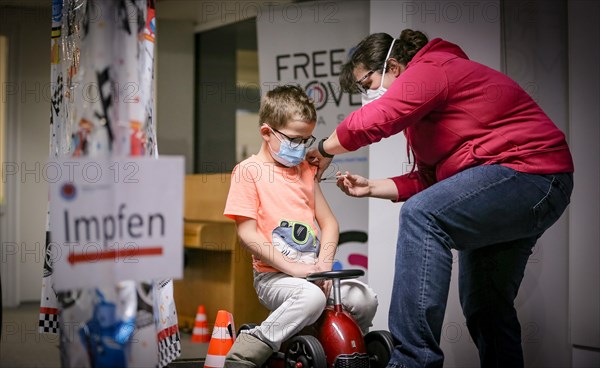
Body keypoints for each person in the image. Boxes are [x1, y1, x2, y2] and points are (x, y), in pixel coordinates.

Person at [307, 30, 574, 368]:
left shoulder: (433, 68)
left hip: (532, 173)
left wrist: (322, 148)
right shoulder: (428, 115)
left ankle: (411, 361)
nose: (367, 93)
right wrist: (371, 187)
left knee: (422, 216)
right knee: (485, 304)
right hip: (525, 184)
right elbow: (433, 180)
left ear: (392, 65)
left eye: (367, 82)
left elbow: (378, 120)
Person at [223, 84, 378, 368]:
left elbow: (329, 223)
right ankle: (245, 352)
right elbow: (247, 234)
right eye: (295, 139)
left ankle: (347, 354)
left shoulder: (304, 171)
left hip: (315, 275)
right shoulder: (248, 171)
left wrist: (323, 264)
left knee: (364, 298)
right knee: (310, 297)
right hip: (274, 278)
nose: (301, 148)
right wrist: (294, 269)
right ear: (267, 133)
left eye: (306, 140)